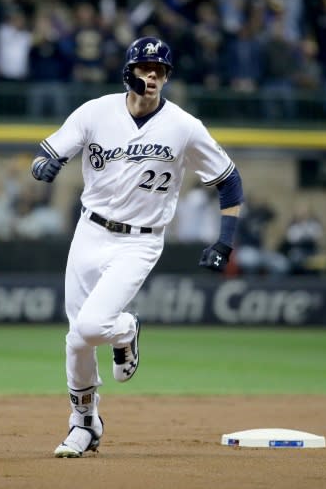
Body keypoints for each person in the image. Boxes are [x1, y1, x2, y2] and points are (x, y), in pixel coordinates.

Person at [30, 36, 243, 458]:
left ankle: (126, 329)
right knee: (76, 341)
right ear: (128, 70)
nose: (153, 75)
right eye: (145, 67)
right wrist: (46, 165)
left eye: (160, 70)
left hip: (140, 242)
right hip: (89, 232)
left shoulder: (183, 126)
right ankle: (84, 424)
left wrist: (225, 241)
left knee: (91, 328)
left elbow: (229, 180)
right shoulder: (95, 111)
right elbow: (48, 153)